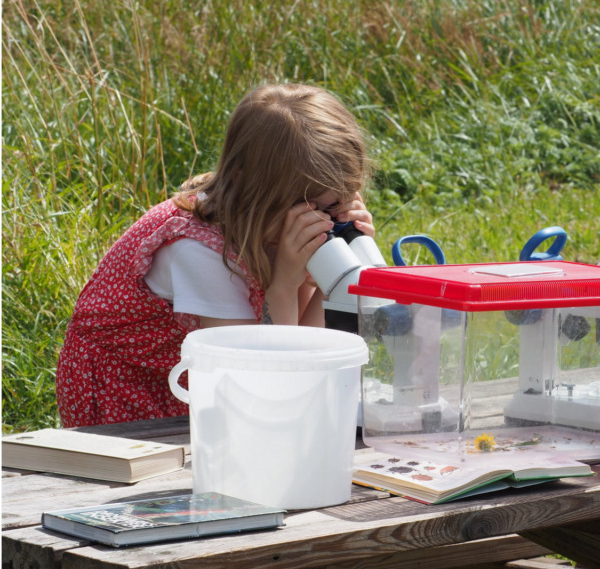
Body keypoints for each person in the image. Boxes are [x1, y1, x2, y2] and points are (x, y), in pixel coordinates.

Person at [56, 83, 375, 428]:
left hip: (195, 376)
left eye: (336, 208)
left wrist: (339, 278)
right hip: (126, 386)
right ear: (251, 187)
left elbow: (311, 354)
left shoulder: (269, 221)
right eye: (315, 208)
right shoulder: (198, 253)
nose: (325, 223)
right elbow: (262, 383)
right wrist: (283, 285)